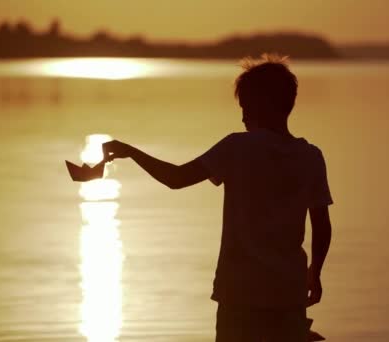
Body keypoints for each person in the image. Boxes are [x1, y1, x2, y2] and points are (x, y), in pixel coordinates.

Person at [101, 54, 333, 342]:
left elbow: (176, 178)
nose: (243, 116)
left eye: (246, 107)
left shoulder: (237, 147)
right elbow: (322, 225)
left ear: (263, 105)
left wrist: (131, 152)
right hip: (288, 293)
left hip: (240, 296)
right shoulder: (311, 157)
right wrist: (316, 272)